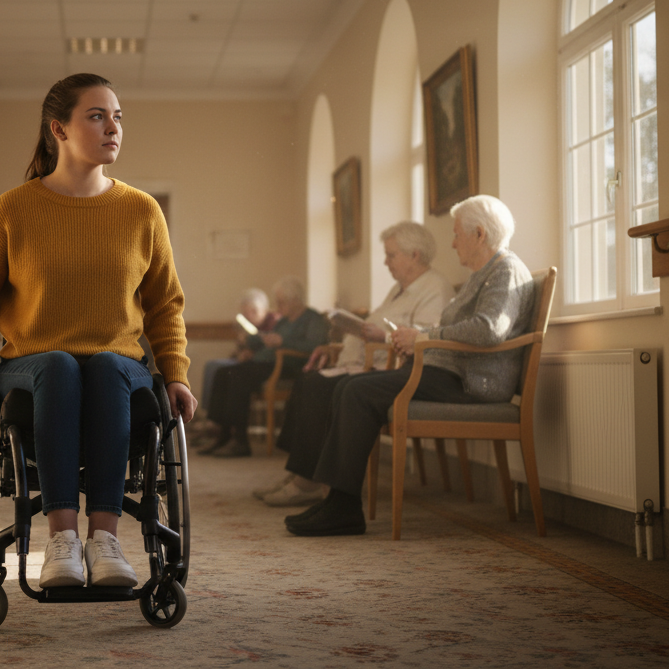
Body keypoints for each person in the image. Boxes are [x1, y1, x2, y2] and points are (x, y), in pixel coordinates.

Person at [0, 73, 198, 589]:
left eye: (118, 117)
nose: (114, 127)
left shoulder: (141, 211)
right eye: (97, 116)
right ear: (58, 129)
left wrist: (176, 374)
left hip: (120, 367)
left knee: (106, 364)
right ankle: (60, 540)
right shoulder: (13, 209)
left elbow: (165, 305)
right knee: (61, 363)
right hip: (33, 366)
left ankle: (103, 540)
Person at [286, 195, 537, 536]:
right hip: (449, 373)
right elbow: (466, 329)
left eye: (456, 234)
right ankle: (337, 502)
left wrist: (423, 337)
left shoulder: (505, 269)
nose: (451, 242)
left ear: (479, 234)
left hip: (471, 383)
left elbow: (490, 329)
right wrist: (420, 339)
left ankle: (342, 506)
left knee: (356, 390)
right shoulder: (485, 273)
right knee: (349, 387)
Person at [255, 222, 453, 506]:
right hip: (362, 363)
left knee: (319, 387)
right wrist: (336, 344)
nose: (385, 262)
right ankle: (302, 473)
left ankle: (305, 480)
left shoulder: (435, 288)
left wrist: (381, 336)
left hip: (388, 370)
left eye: (391, 255)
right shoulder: (399, 290)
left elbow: (422, 340)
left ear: (415, 255)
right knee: (308, 379)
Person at [200, 276, 329, 458]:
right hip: (264, 363)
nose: (277, 306)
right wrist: (250, 342)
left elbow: (315, 347)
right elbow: (264, 338)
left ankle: (241, 441)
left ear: (295, 300)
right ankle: (223, 434)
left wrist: (284, 341)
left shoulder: (312, 319)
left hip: (286, 367)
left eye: (281, 301)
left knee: (238, 377)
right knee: (223, 372)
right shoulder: (283, 321)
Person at [191, 288, 277, 445]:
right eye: (246, 312)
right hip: (249, 363)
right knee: (220, 371)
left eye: (253, 311)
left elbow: (269, 348)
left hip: (265, 366)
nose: (249, 315)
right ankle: (219, 430)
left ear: (264, 309)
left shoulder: (275, 321)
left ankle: (237, 438)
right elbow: (248, 346)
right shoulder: (249, 325)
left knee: (234, 375)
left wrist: (251, 353)